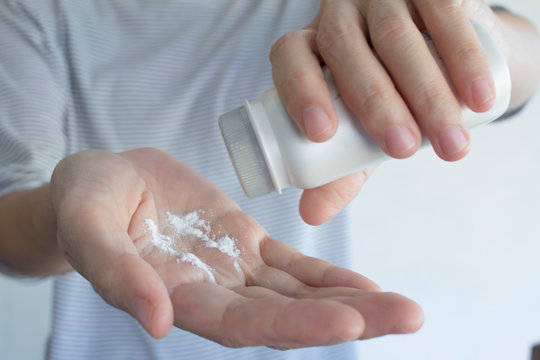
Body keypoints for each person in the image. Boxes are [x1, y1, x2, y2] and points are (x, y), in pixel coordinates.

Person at [0, 1, 538, 359]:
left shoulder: (326, 8)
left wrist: (477, 33)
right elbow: (9, 223)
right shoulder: (36, 11)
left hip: (310, 333)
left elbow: (525, 58)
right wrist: (70, 209)